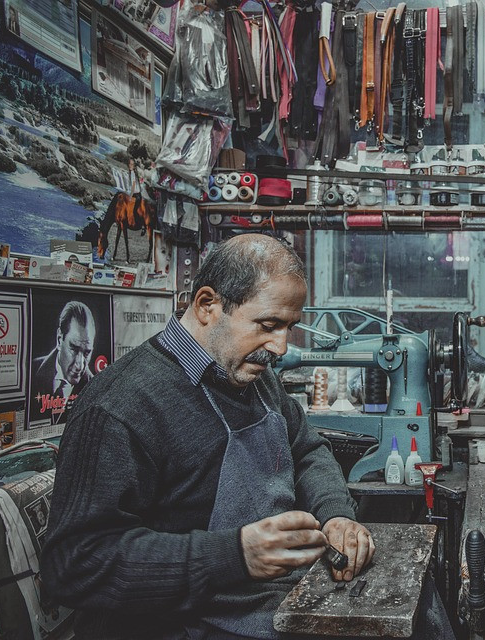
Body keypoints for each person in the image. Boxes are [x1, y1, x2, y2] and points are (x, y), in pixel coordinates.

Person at [41, 235, 378, 639]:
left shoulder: (254, 377)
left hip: (274, 599)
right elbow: (74, 565)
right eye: (268, 325)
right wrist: (234, 555)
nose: (281, 346)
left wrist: (335, 512)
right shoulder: (120, 406)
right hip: (184, 624)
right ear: (207, 306)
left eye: (289, 327)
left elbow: (306, 450)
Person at [30, 301, 96, 424]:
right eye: (74, 349)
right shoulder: (31, 371)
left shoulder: (95, 387)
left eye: (87, 353)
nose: (80, 365)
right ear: (59, 340)